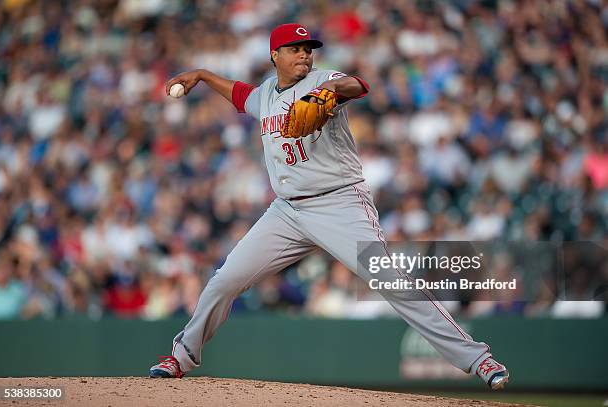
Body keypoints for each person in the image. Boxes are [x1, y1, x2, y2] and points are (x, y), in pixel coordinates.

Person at [149, 23, 509, 390]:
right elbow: (241, 94)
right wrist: (203, 75)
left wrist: (331, 90)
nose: (305, 54)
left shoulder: (324, 80)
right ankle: (181, 356)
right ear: (275, 55)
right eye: (295, 48)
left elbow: (357, 85)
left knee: (389, 279)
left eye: (308, 48)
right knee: (224, 280)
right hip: (286, 212)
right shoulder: (265, 95)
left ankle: (478, 359)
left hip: (340, 202)